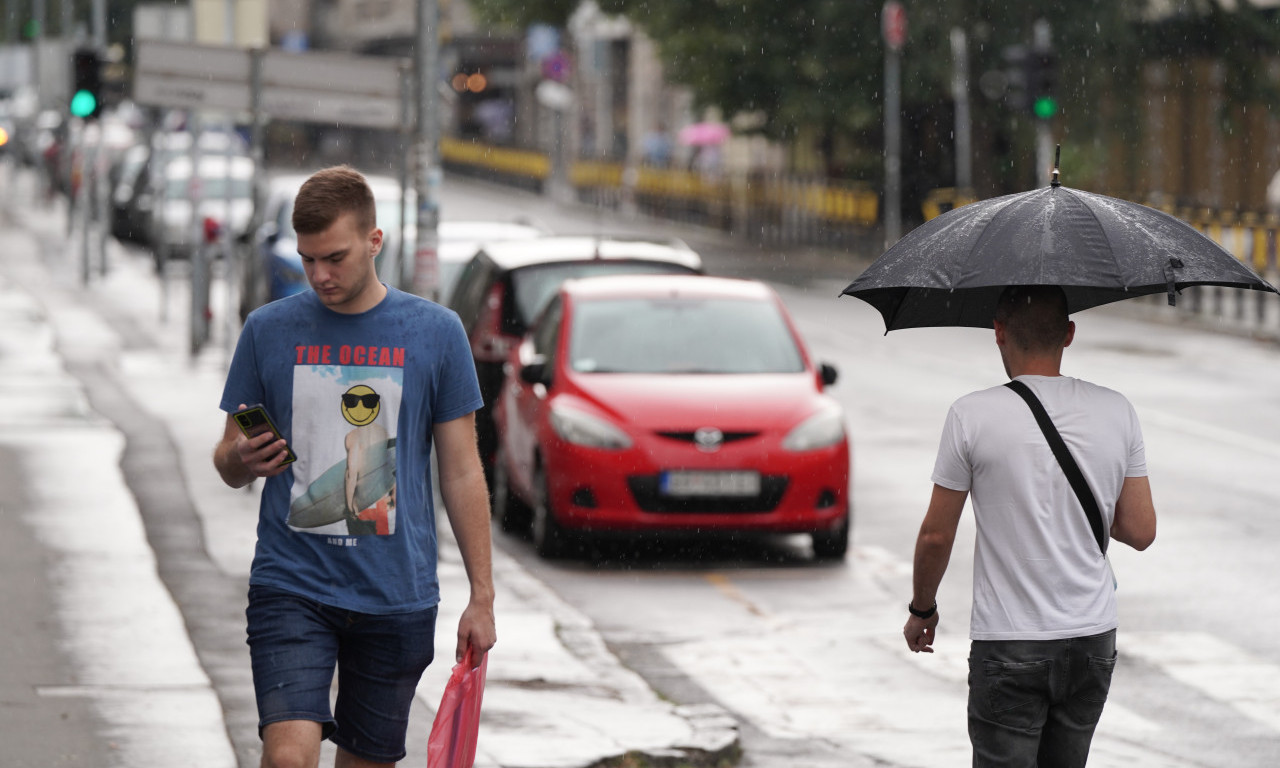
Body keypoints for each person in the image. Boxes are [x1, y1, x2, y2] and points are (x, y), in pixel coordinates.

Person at [213, 165, 496, 768]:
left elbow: (462, 473)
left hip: (396, 595)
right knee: (289, 755)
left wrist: (482, 597)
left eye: (334, 257)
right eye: (307, 259)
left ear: (375, 241)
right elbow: (226, 459)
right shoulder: (268, 331)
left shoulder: (436, 334)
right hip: (292, 584)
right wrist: (241, 459)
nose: (319, 275)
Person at [902, 285, 1157, 768]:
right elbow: (1140, 530)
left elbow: (937, 535)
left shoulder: (970, 415)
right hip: (1091, 640)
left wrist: (923, 609)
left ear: (997, 332)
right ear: (1069, 334)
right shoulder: (1116, 409)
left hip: (1010, 642)